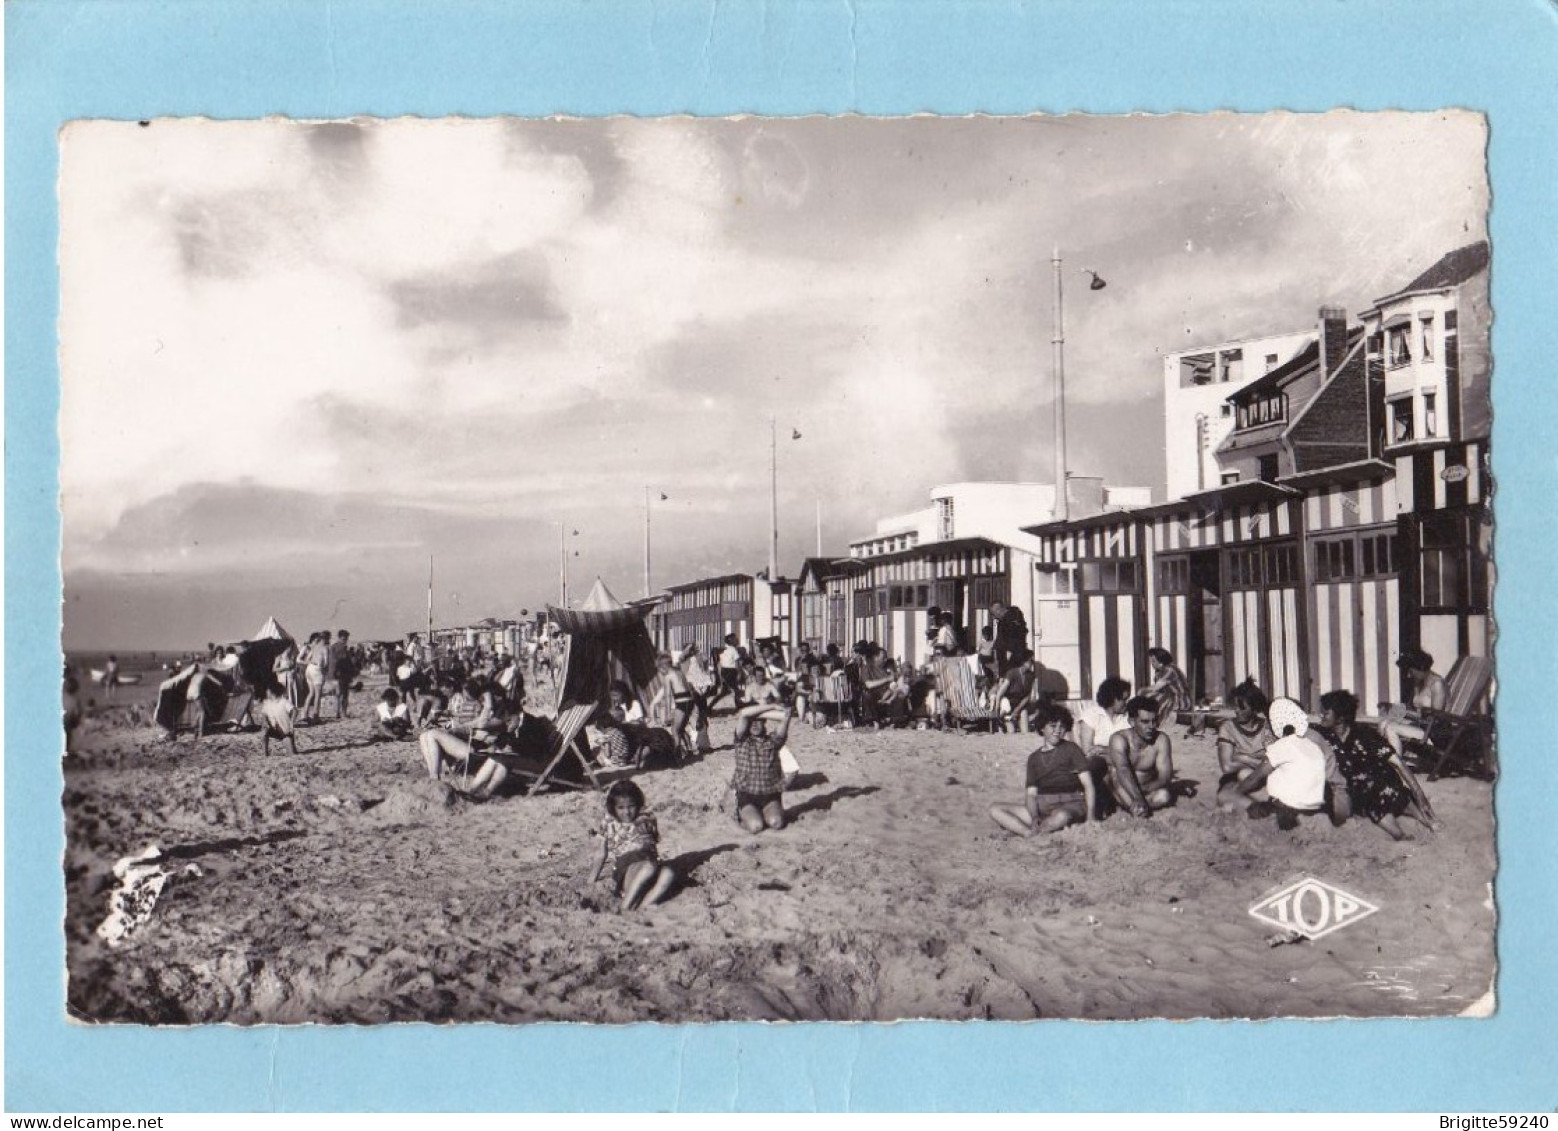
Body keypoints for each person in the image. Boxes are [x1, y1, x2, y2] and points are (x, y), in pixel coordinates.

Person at [1314, 689, 1436, 840]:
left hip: (1383, 783)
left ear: (1340, 717)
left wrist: (1419, 793)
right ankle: (1401, 835)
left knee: (1387, 791)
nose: (1321, 716)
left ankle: (1426, 821)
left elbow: (1398, 763)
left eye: (1326, 713)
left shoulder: (1365, 736)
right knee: (1369, 800)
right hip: (1358, 791)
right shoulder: (1326, 736)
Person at [989, 702, 1098, 836]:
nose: (1058, 730)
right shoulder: (1033, 758)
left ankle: (1030, 830)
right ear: (1042, 728)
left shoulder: (1072, 749)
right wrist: (1034, 817)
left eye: (1062, 727)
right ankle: (1027, 832)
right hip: (1042, 807)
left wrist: (1090, 817)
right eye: (1053, 726)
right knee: (995, 809)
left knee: (1061, 816)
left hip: (1070, 804)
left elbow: (1088, 785)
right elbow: (1031, 794)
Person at [1236, 697, 1328, 830]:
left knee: (1244, 801)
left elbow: (1254, 778)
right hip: (1314, 806)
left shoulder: (1282, 745)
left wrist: (1237, 791)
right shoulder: (1312, 746)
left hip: (1289, 809)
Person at [589, 780, 676, 912]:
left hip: (649, 861)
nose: (627, 812)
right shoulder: (609, 821)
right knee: (648, 867)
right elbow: (601, 853)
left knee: (669, 873)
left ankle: (641, 909)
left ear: (638, 804)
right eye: (621, 808)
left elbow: (653, 843)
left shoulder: (648, 818)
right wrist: (591, 881)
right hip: (627, 865)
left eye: (631, 806)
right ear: (613, 808)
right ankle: (624, 907)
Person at [1104, 696, 1176, 817]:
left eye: (1154, 721)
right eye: (1145, 722)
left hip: (1145, 789)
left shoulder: (1161, 740)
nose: (1151, 726)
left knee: (1164, 796)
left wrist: (1142, 792)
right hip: (1121, 787)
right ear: (1132, 721)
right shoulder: (1119, 739)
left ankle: (1134, 807)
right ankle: (1136, 806)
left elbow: (1165, 776)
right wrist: (1139, 797)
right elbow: (1122, 770)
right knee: (1114, 774)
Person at [730, 702, 793, 834]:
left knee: (777, 823)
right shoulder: (741, 740)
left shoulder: (773, 741)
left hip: (770, 796)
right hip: (747, 797)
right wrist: (772, 706)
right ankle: (740, 810)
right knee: (756, 826)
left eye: (759, 721)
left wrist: (760, 713)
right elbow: (744, 713)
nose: (754, 724)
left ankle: (764, 812)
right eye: (751, 721)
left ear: (764, 723)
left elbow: (786, 716)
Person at [1214, 679, 1276, 811]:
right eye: (1235, 706)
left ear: (1254, 709)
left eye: (1241, 707)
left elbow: (1273, 763)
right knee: (1242, 775)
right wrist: (1259, 760)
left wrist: (1243, 758)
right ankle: (1256, 806)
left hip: (1261, 778)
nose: (1236, 711)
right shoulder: (1228, 728)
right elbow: (1227, 767)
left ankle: (1254, 805)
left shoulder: (1266, 728)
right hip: (1235, 779)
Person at [1380, 648, 1449, 763]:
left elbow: (1436, 718)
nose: (1408, 676)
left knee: (1390, 727)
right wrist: (1394, 712)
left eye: (1410, 671)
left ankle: (1398, 766)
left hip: (1434, 733)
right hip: (1421, 726)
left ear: (1420, 668)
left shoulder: (1437, 684)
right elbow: (1413, 708)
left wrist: (1406, 714)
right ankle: (1392, 761)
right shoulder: (1418, 684)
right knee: (1384, 722)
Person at [649, 652, 699, 759]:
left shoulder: (668, 677)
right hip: (689, 701)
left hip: (681, 702)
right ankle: (690, 750)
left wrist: (667, 714)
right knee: (681, 728)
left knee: (674, 730)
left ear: (664, 667)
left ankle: (677, 754)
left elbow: (667, 697)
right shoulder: (679, 672)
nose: (661, 673)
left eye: (660, 670)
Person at [1145, 647, 1200, 735]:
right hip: (1169, 697)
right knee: (1152, 699)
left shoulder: (1169, 670)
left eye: (1153, 661)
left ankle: (1161, 726)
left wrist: (1141, 692)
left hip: (1180, 699)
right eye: (1151, 661)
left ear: (1161, 660)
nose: (1152, 664)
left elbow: (1157, 688)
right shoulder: (1158, 672)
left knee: (1154, 699)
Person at [257, 685, 300, 757]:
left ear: (273, 693)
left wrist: (292, 722)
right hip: (273, 728)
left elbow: (295, 710)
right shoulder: (267, 703)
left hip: (284, 730)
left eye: (268, 691)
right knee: (264, 731)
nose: (266, 693)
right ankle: (265, 754)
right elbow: (264, 713)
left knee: (292, 754)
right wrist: (265, 722)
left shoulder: (283, 702)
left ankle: (292, 746)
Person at [990, 601, 1029, 676]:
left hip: (1010, 655)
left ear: (998, 610)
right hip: (1006, 654)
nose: (994, 617)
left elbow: (1014, 636)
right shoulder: (1004, 620)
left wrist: (1009, 651)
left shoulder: (1011, 619)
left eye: (993, 613)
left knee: (1009, 676)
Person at [329, 630, 356, 719]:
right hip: (340, 674)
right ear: (340, 637)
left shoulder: (338, 647)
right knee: (342, 694)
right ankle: (341, 712)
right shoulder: (338, 648)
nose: (345, 640)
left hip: (342, 674)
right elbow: (335, 662)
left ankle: (339, 712)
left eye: (346, 638)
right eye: (344, 638)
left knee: (341, 694)